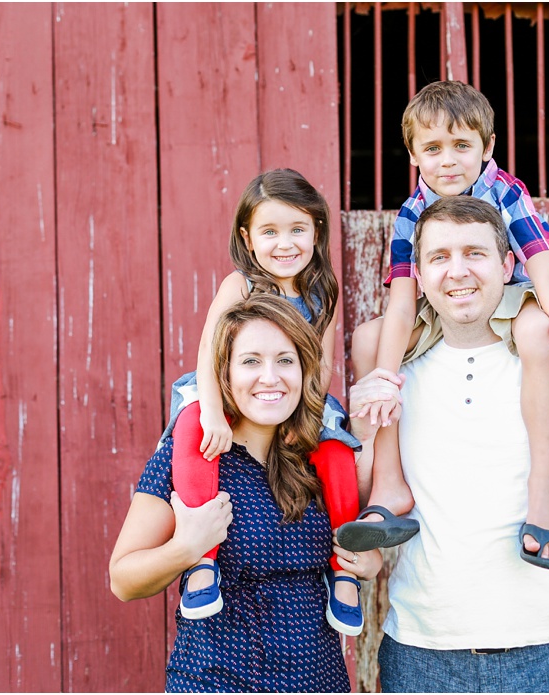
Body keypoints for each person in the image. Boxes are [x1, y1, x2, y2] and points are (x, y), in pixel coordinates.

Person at [348, 197, 549, 693]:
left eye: (474, 253)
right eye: (438, 257)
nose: (457, 272)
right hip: (421, 656)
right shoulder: (395, 376)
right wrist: (362, 432)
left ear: (508, 264)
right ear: (419, 277)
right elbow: (363, 500)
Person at [342, 81, 549, 569]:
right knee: (369, 339)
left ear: (487, 147)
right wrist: (385, 381)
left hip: (508, 296)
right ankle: (389, 483)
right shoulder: (411, 214)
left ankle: (541, 492)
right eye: (432, 148)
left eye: (461, 146)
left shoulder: (506, 194)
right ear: (412, 155)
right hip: (442, 303)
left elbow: (545, 275)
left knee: (536, 331)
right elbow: (404, 305)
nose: (448, 160)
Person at [109, 295, 382, 692]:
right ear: (225, 373)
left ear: (305, 370)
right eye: (251, 361)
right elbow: (123, 580)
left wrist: (364, 561)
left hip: (320, 681)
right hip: (217, 680)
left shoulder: (323, 457)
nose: (270, 377)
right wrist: (186, 548)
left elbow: (361, 549)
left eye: (285, 360)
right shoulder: (192, 457)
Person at [160, 169, 364, 634]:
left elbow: (323, 364)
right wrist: (213, 410)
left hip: (295, 396)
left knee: (336, 448)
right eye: (269, 232)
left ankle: (344, 567)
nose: (285, 243)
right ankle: (203, 562)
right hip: (227, 387)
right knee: (192, 428)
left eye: (297, 229)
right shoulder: (240, 286)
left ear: (317, 229)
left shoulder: (322, 292)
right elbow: (210, 353)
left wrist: (306, 415)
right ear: (247, 239)